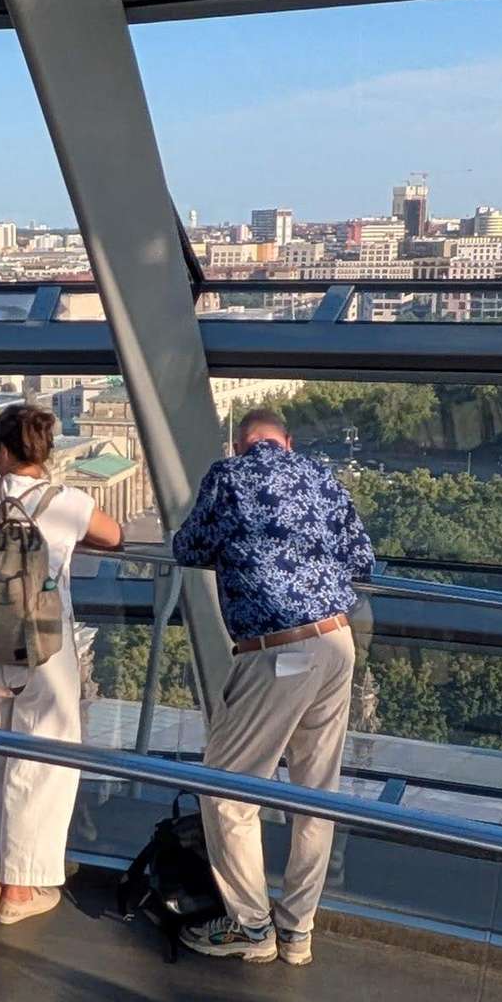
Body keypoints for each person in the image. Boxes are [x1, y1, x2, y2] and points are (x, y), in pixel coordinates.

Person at [170, 408, 372, 967]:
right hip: (337, 642)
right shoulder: (321, 475)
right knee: (315, 794)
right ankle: (297, 930)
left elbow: (188, 547)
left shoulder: (229, 476)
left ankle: (251, 926)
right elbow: (362, 559)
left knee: (225, 791)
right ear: (288, 441)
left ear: (239, 444)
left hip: (278, 649)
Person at [0, 405, 122, 924]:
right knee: (41, 765)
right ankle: (20, 889)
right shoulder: (68, 501)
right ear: (46, 451)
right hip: (45, 648)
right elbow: (113, 535)